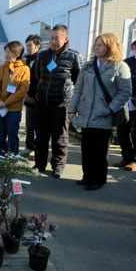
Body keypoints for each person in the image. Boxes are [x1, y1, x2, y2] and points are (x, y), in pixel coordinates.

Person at [69, 33, 131, 190]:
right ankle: (87, 176)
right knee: (87, 148)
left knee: (100, 149)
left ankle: (98, 179)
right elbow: (78, 89)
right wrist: (72, 110)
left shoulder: (120, 66)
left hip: (103, 115)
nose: (96, 48)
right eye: (96, 45)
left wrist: (109, 109)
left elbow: (125, 92)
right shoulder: (88, 65)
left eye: (100, 45)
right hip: (86, 114)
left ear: (110, 47)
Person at [34, 24, 82, 178]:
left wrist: (74, 104)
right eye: (52, 38)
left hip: (62, 104)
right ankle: (39, 164)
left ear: (66, 39)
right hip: (43, 103)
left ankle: (58, 166)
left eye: (57, 38)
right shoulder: (42, 55)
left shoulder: (74, 56)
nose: (53, 41)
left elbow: (78, 82)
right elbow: (36, 76)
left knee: (60, 138)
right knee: (41, 137)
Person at [0, 41, 30, 155]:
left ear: (16, 53)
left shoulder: (24, 69)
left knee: (12, 135)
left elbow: (22, 91)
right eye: (6, 51)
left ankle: (12, 159)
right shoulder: (3, 67)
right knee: (0, 135)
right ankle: (0, 157)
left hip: (13, 109)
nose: (6, 54)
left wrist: (5, 103)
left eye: (8, 52)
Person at [113, 40, 136, 171]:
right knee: (122, 132)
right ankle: (126, 158)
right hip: (126, 103)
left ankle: (134, 161)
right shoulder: (127, 62)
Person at [19, 34, 42, 156]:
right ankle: (29, 147)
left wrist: (35, 96)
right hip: (27, 96)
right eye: (26, 45)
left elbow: (43, 80)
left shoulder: (43, 58)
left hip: (39, 99)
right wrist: (26, 95)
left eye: (30, 45)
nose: (28, 48)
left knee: (39, 127)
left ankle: (38, 150)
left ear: (38, 46)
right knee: (29, 125)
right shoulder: (24, 60)